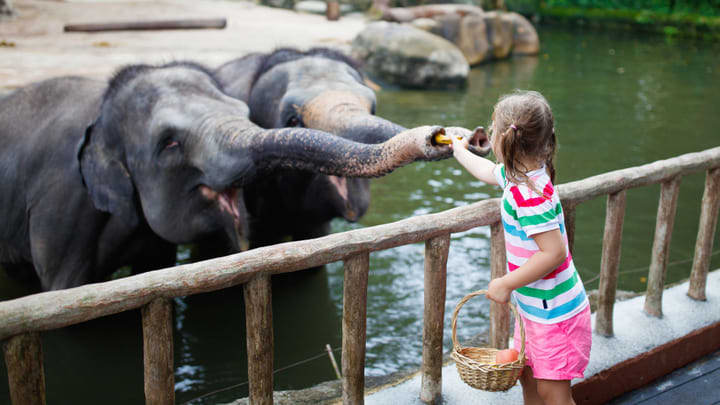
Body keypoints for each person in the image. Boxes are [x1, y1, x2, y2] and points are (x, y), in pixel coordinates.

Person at [450, 90, 591, 405]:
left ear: (503, 139)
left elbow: (554, 253)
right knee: (528, 379)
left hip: (556, 314)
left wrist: (505, 282)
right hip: (537, 310)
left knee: (552, 394)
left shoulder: (527, 195)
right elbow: (487, 171)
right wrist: (459, 150)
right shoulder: (520, 177)